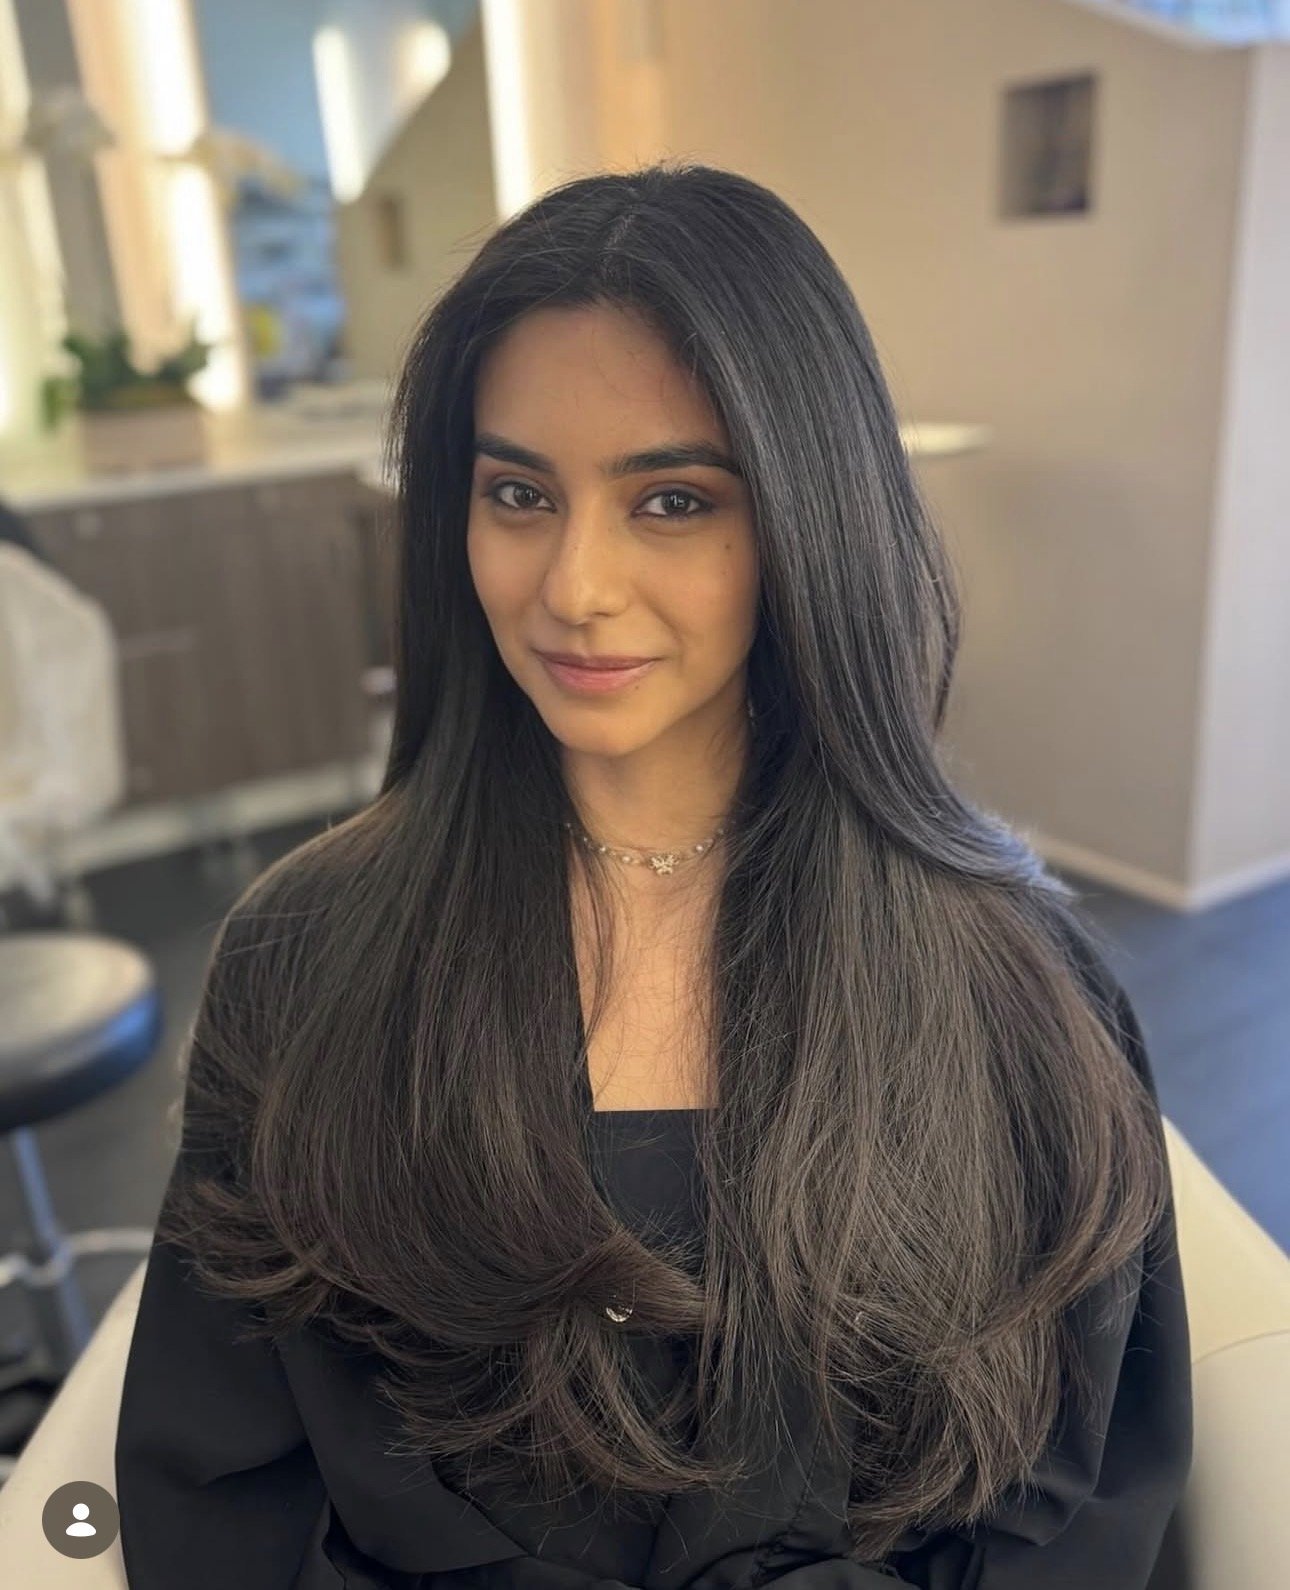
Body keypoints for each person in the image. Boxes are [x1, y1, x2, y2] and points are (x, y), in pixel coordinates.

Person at [115, 162, 1191, 1589]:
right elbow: (219, 1496)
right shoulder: (307, 960)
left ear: (809, 519)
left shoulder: (1015, 983)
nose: (573, 586)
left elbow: (1083, 1498)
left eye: (671, 501)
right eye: (517, 493)